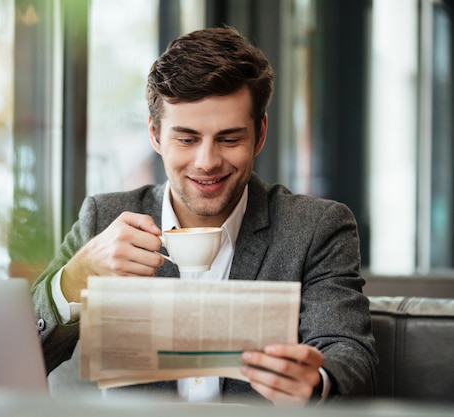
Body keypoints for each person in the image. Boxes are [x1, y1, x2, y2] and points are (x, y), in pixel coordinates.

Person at [31, 25, 378, 406]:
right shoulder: (104, 218)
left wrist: (315, 382)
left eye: (229, 139)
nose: (207, 162)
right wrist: (76, 276)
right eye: (186, 139)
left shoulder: (316, 227)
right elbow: (25, 357)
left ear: (259, 134)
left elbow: (349, 353)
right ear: (155, 134)